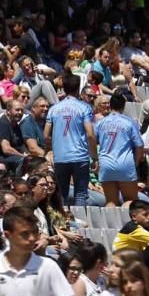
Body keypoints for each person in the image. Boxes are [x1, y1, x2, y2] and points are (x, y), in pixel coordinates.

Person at [44, 74, 96, 206]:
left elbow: (45, 135)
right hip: (80, 156)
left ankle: (63, 223)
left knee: (61, 193)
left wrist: (51, 149)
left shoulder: (54, 109)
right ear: (78, 88)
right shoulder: (84, 107)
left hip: (61, 157)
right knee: (80, 194)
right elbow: (90, 134)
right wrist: (94, 156)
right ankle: (80, 223)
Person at [95, 93, 144, 206]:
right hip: (125, 163)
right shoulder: (130, 122)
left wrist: (95, 158)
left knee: (111, 201)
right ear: (123, 106)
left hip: (106, 163)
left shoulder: (100, 123)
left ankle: (111, 223)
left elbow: (92, 140)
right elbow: (139, 145)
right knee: (130, 199)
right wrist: (136, 161)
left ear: (110, 105)